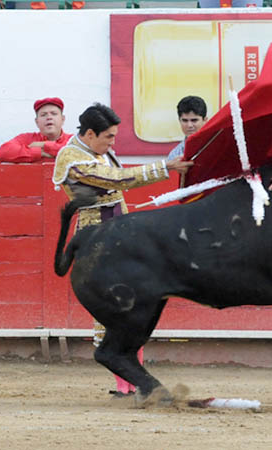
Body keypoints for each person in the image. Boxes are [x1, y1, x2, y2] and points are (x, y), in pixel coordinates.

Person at [52, 103, 193, 397]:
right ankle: (124, 384)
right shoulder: (71, 157)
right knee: (115, 309)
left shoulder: (97, 150)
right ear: (90, 134)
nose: (112, 143)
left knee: (136, 302)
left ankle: (131, 383)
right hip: (97, 239)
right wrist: (164, 167)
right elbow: (117, 180)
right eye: (109, 137)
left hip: (117, 230)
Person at [0, 97, 72, 163]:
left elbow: (76, 152)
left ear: (63, 119)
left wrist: (43, 145)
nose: (49, 117)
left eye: (54, 113)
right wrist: (40, 152)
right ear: (37, 122)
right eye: (43, 115)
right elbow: (4, 151)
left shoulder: (72, 139)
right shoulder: (26, 139)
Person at [167, 96, 208, 161]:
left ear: (205, 120)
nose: (189, 125)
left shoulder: (217, 147)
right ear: (179, 120)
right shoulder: (174, 155)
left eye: (194, 120)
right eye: (185, 120)